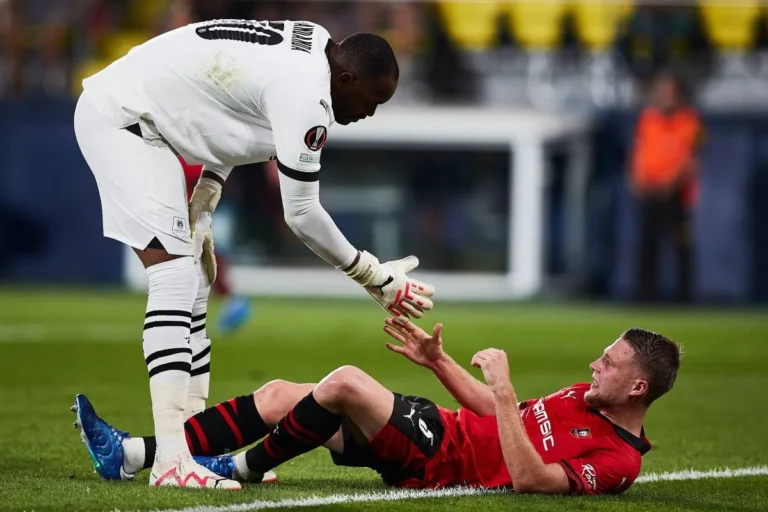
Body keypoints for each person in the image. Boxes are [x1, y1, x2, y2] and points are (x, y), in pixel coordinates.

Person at [73, 20, 436, 490]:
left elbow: (226, 103)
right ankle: (170, 463)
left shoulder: (315, 47)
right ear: (345, 80)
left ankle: (190, 451)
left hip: (146, 117)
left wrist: (209, 185)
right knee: (175, 279)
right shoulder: (309, 96)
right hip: (123, 119)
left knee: (199, 278)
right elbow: (302, 214)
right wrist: (375, 276)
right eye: (372, 99)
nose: (369, 113)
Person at [73, 319, 681, 495]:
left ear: (637, 390)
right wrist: (436, 362)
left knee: (343, 383)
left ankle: (237, 470)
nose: (594, 365)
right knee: (282, 394)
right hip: (440, 428)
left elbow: (530, 479)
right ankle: (129, 455)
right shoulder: (582, 397)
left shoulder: (618, 460)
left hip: (440, 461)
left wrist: (502, 390)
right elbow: (502, 416)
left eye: (610, 363)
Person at [629, 71, 703, 303]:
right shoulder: (649, 119)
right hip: (650, 192)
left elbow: (691, 159)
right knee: (647, 246)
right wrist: (638, 178)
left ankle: (684, 297)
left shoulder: (689, 120)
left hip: (676, 194)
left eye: (669, 92)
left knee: (681, 245)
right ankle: (645, 296)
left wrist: (670, 183)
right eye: (660, 92)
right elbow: (640, 152)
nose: (664, 97)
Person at [179, 157, 251, 335]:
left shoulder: (196, 156)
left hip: (206, 210)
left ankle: (228, 299)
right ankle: (226, 299)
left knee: (209, 255)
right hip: (192, 212)